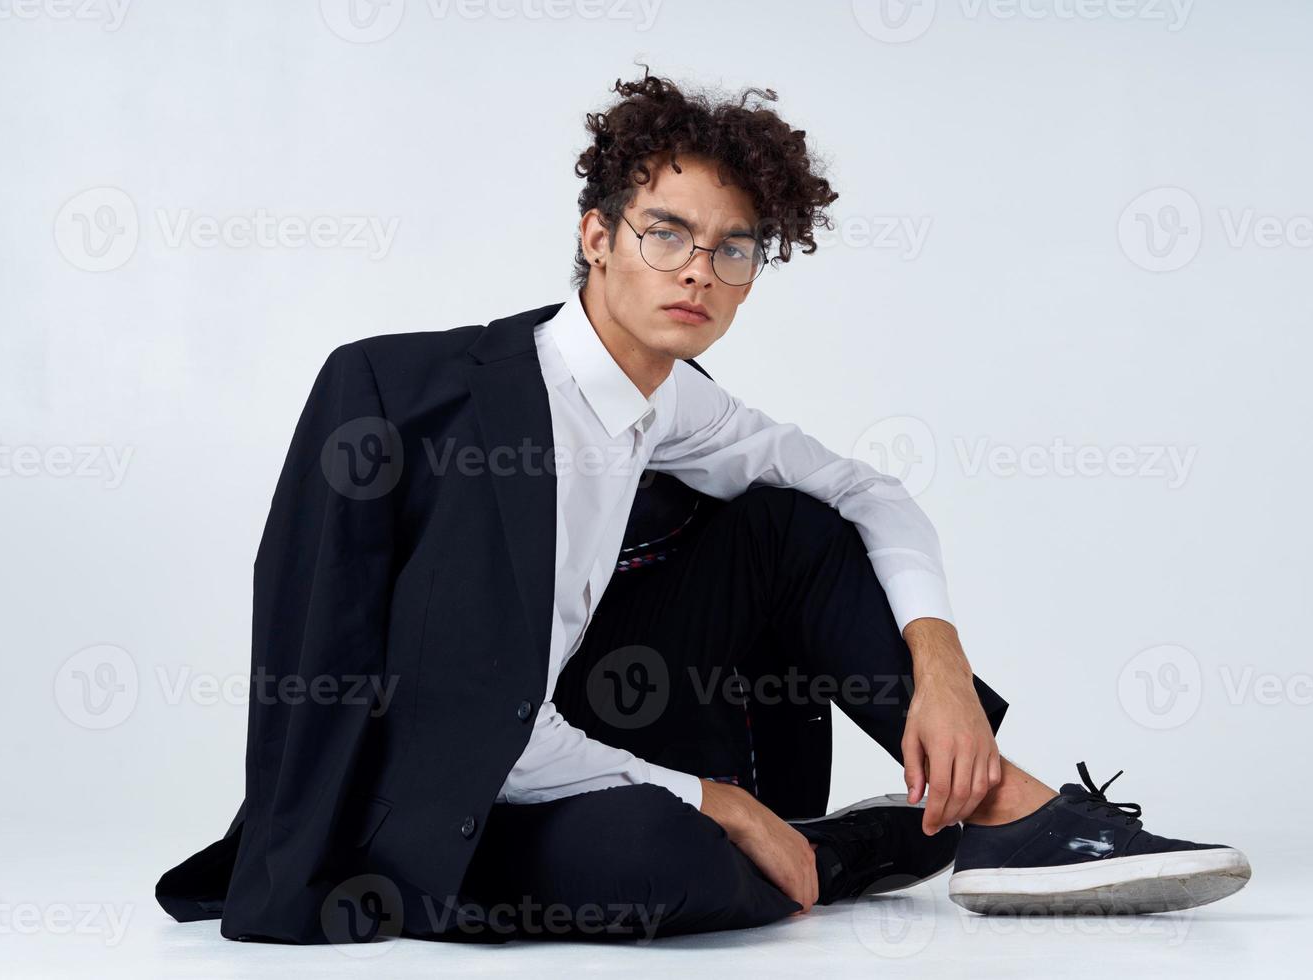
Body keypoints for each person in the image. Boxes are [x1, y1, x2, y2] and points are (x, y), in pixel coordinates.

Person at [156, 67, 1249, 945]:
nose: (700, 273)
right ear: (597, 235)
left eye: (735, 249)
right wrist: (712, 796)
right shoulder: (414, 392)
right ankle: (847, 843)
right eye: (666, 232)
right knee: (661, 856)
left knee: (793, 522)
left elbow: (868, 491)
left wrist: (942, 662)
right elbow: (396, 674)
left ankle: (1008, 810)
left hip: (589, 730)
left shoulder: (680, 405)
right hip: (444, 794)